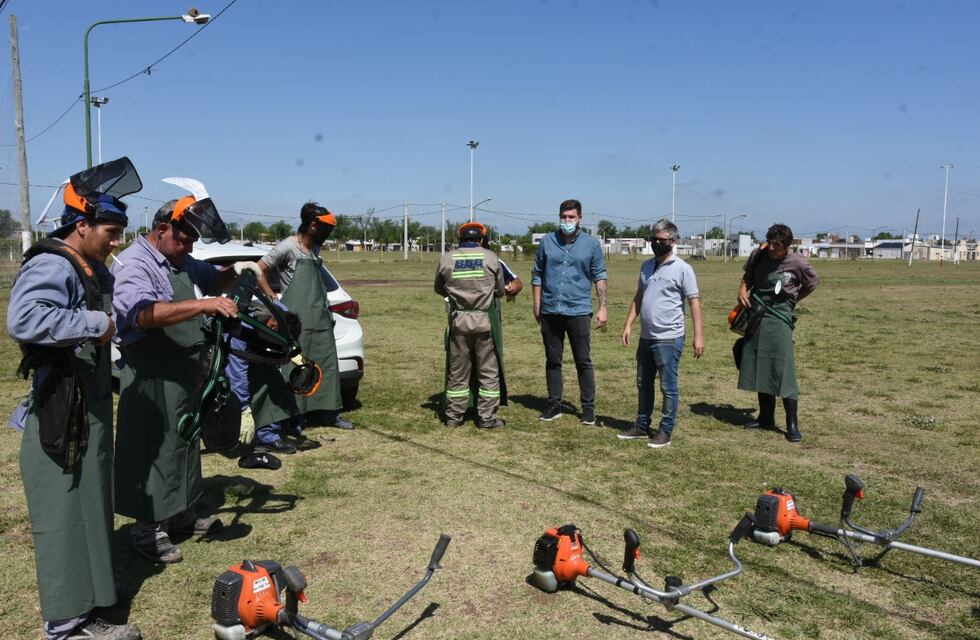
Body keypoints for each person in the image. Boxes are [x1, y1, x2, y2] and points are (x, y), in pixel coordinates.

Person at [7, 158, 142, 639]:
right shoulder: (52, 263)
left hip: (89, 404)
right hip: (62, 408)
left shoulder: (89, 266)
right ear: (81, 226)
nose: (117, 242)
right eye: (111, 232)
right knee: (65, 510)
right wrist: (94, 323)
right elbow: (24, 320)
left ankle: (95, 589)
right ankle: (67, 623)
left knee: (91, 500)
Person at [112, 184, 249, 563]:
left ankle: (180, 514)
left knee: (184, 445)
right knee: (153, 448)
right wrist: (204, 305)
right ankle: (147, 530)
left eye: (193, 242)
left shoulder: (180, 260)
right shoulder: (133, 265)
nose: (189, 248)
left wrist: (239, 270)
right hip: (152, 374)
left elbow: (216, 279)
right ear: (162, 230)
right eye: (185, 240)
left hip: (185, 371)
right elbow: (142, 314)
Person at [256, 202, 353, 430]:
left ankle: (330, 413)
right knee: (296, 367)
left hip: (320, 320)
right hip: (296, 322)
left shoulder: (315, 249)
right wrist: (272, 298)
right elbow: (259, 268)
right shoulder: (288, 246)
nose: (328, 233)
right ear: (313, 226)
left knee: (327, 365)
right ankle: (295, 417)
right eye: (326, 228)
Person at [618, 219, 704, 448]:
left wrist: (698, 336)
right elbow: (639, 297)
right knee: (643, 382)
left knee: (668, 386)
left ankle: (665, 431)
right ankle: (642, 425)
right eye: (653, 239)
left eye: (661, 239)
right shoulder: (646, 266)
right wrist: (628, 324)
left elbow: (694, 303)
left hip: (669, 338)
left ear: (672, 241)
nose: (656, 243)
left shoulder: (683, 269)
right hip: (646, 337)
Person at [736, 223, 819, 442]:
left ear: (787, 245)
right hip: (757, 317)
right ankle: (766, 417)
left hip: (779, 319)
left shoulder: (798, 262)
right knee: (761, 366)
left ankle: (792, 424)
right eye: (770, 243)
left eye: (777, 245)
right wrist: (742, 289)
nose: (772, 248)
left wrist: (794, 300)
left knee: (784, 370)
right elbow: (747, 276)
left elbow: (813, 282)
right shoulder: (758, 255)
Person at [531, 199, 608, 425]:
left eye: (571, 217)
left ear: (579, 219)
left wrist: (603, 307)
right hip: (550, 309)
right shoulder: (547, 242)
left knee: (583, 360)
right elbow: (537, 274)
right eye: (564, 217)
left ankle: (588, 408)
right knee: (553, 359)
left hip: (578, 310)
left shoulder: (591, 244)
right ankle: (554, 404)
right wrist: (537, 304)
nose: (567, 221)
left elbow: (599, 276)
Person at [435, 222, 507, 428]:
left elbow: (439, 288)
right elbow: (500, 290)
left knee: (457, 372)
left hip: (459, 322)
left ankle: (453, 417)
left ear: (460, 238)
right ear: (481, 239)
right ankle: (487, 418)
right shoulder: (491, 257)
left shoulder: (447, 258)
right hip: (484, 322)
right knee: (488, 372)